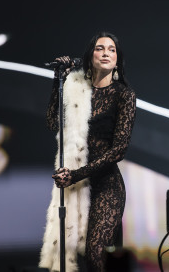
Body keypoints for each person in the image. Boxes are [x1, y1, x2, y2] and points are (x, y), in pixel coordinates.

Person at [39, 32, 137, 272]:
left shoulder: (124, 95)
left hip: (106, 184)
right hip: (75, 184)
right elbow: (53, 123)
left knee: (96, 253)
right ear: (90, 56)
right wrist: (57, 81)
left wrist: (76, 174)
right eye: (99, 48)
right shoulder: (75, 91)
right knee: (71, 254)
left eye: (111, 49)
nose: (105, 53)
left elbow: (119, 150)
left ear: (117, 59)